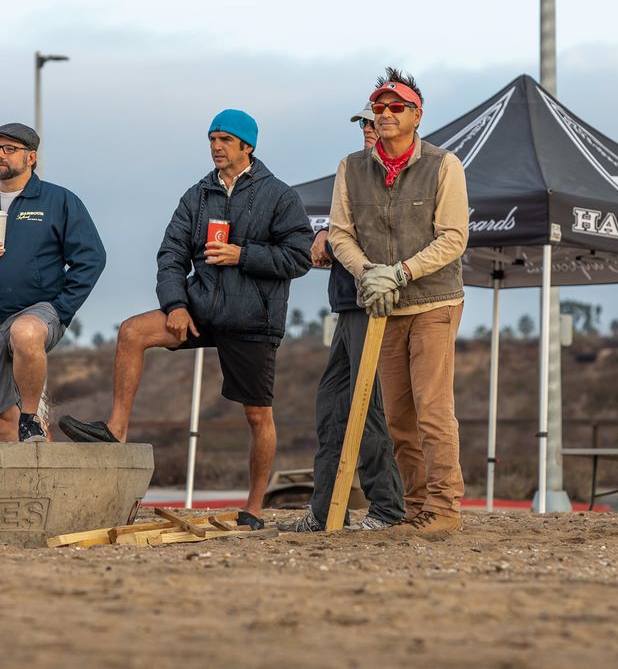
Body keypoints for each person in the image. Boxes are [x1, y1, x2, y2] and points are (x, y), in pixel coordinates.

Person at [59, 110, 313, 530]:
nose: (216, 146)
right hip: (200, 307)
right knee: (132, 331)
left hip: (252, 318)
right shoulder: (196, 196)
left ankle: (254, 507)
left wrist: (241, 254)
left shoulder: (279, 196)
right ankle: (116, 428)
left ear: (247, 146)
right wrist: (175, 304)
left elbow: (300, 256)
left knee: (257, 416)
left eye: (226, 139)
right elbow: (171, 255)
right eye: (212, 138)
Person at [328, 68, 469, 534]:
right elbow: (340, 234)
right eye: (379, 107)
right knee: (399, 418)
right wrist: (367, 273)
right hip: (383, 306)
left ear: (416, 114)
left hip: (433, 300)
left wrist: (402, 272)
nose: (384, 114)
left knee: (433, 408)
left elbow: (453, 237)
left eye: (395, 107)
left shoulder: (444, 165)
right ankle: (414, 506)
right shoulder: (351, 168)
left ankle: (445, 507)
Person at [280, 106, 405, 533]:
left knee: (364, 410)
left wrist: (330, 241)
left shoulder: (391, 177)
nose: (370, 129)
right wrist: (325, 236)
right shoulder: (353, 171)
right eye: (365, 123)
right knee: (332, 408)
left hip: (374, 305)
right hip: (348, 303)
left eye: (376, 122)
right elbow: (343, 230)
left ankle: (387, 508)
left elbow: (376, 236)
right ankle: (325, 509)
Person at [0, 123, 106, 443]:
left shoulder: (58, 201)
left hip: (39, 311)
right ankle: (20, 491)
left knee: (25, 331)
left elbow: (92, 258)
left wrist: (61, 308)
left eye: (9, 149)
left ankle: (31, 417)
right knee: (2, 423)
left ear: (31, 157)